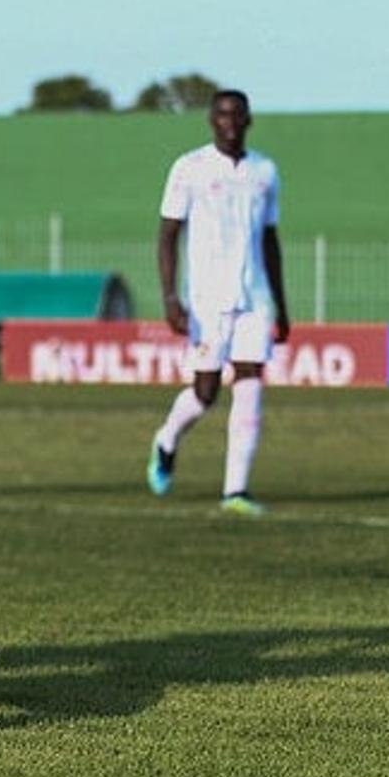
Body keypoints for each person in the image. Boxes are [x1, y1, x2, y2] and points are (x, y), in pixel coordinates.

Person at [148, 89, 288, 517]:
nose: (230, 120)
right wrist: (171, 297)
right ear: (212, 119)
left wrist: (281, 304)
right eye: (222, 113)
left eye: (237, 114)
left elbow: (269, 239)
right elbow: (168, 235)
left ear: (248, 120)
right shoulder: (189, 168)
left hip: (255, 297)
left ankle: (235, 492)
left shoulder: (265, 171)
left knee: (250, 381)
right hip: (206, 299)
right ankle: (167, 440)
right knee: (205, 391)